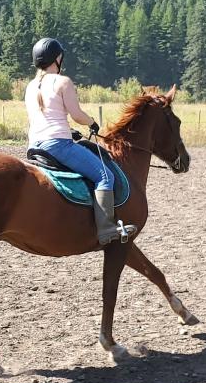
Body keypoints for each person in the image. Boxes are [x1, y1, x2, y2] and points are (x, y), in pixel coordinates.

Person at [25, 37, 136, 245]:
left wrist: (69, 131)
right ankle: (106, 229)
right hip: (57, 145)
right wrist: (92, 123)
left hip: (34, 146)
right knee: (105, 175)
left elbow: (45, 117)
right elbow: (76, 114)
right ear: (56, 59)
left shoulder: (31, 86)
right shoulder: (62, 81)